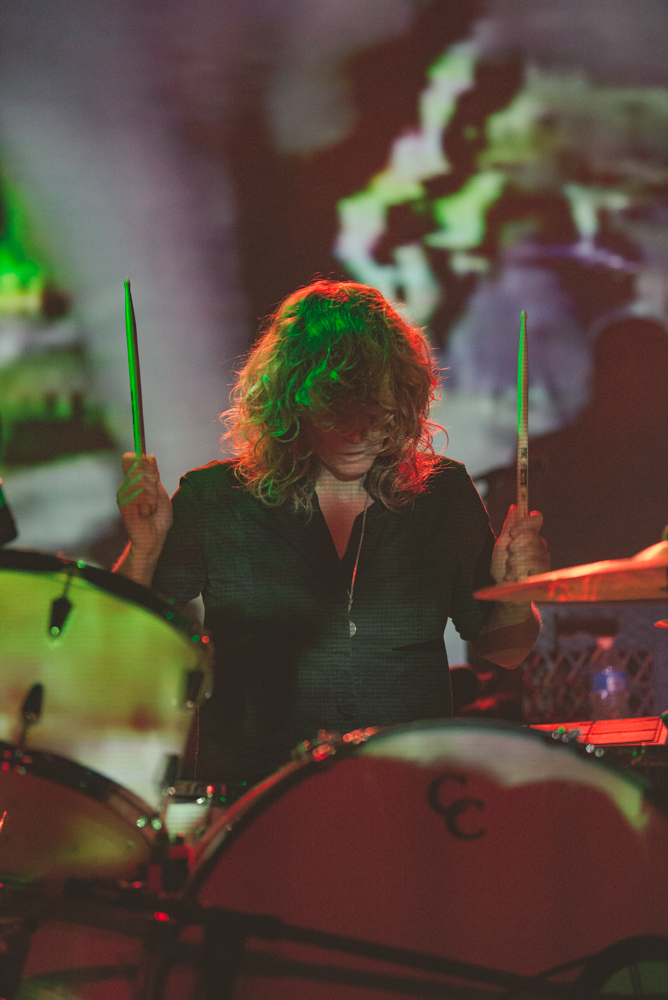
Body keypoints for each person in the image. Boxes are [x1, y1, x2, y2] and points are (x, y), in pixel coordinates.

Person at [116, 280, 548, 791]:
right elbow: (124, 646)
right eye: (340, 414)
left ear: (405, 401)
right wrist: (142, 554)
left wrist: (520, 598)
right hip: (261, 803)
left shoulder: (442, 494)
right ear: (291, 402)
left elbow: (505, 650)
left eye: (377, 414)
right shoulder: (216, 499)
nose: (360, 433)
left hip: (409, 793)